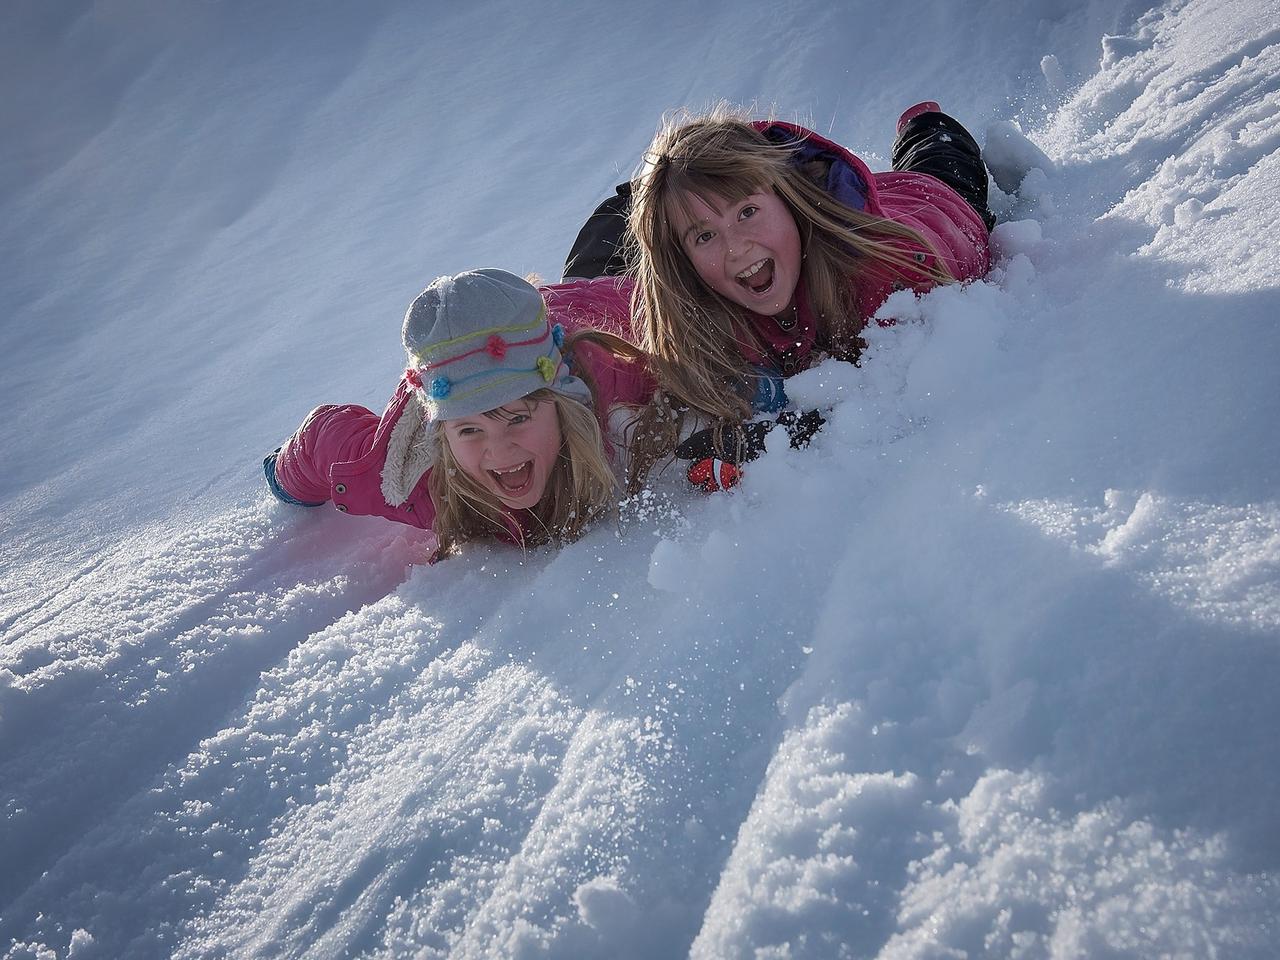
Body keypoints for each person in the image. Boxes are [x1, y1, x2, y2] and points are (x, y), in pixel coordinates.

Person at [565, 103, 993, 488]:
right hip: (680, 236)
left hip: (929, 202)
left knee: (940, 162)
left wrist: (788, 433)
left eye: (747, 212)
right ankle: (648, 200)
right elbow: (596, 312)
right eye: (705, 236)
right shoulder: (693, 299)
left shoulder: (884, 275)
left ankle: (923, 121)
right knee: (603, 258)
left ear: (788, 200)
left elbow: (889, 399)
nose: (737, 248)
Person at [264, 269, 654, 559]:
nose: (499, 452)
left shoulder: (613, 378)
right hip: (474, 360)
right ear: (442, 435)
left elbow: (667, 311)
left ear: (561, 403)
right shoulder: (410, 478)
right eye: (469, 429)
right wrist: (284, 480)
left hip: (597, 300)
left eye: (518, 417)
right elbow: (323, 438)